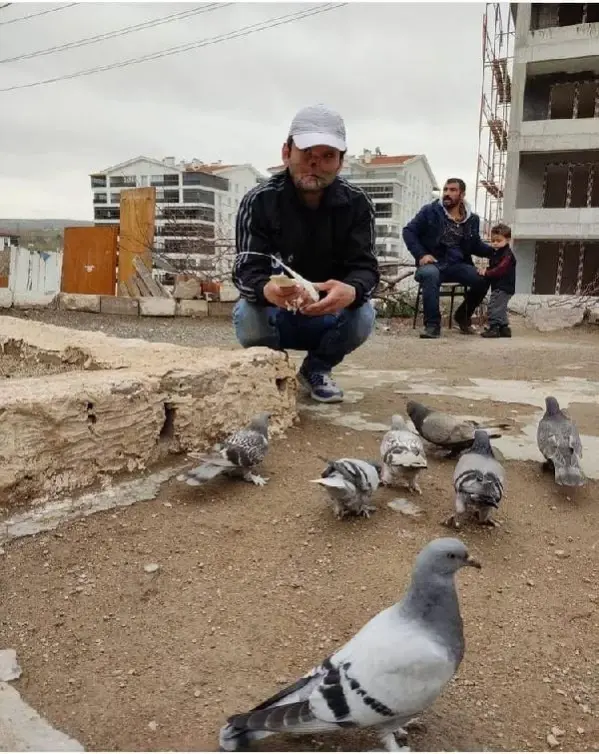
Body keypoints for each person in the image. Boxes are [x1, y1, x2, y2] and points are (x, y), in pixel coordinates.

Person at [231, 103, 379, 404]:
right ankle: (275, 370)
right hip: (276, 311)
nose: (316, 164)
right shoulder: (259, 201)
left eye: (327, 156)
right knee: (247, 314)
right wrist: (267, 289)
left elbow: (366, 268)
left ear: (340, 162)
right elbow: (246, 268)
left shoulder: (358, 204)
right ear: (287, 153)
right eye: (307, 154)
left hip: (328, 313)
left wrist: (351, 290)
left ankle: (316, 368)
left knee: (364, 314)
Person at [402, 178, 493, 339]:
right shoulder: (430, 211)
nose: (447, 194)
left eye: (452, 190)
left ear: (462, 194)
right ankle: (432, 325)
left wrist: (497, 253)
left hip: (458, 265)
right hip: (433, 264)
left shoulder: (472, 219)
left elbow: (475, 245)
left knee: (483, 279)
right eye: (445, 190)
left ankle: (462, 316)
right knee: (430, 275)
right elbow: (408, 231)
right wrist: (421, 255)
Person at [480, 223, 516, 339]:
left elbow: (500, 269)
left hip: (503, 286)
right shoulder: (498, 253)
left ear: (508, 240)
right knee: (501, 307)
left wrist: (487, 272)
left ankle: (494, 328)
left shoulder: (507, 255)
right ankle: (504, 328)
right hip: (503, 286)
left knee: (494, 306)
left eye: (498, 240)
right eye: (493, 240)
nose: (495, 243)